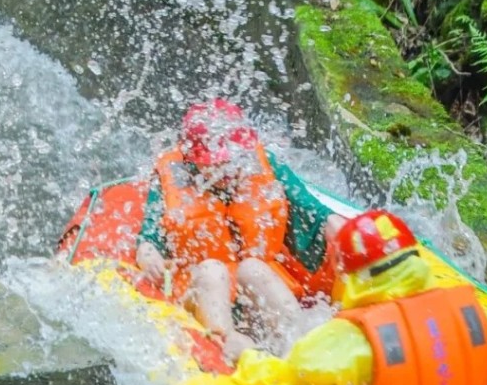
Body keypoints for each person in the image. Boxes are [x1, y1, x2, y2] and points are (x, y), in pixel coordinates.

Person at [228, 208, 487, 385]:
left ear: (347, 275)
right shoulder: (480, 319)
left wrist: (246, 355)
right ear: (415, 256)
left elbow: (285, 383)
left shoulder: (344, 345)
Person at [135, 99, 341, 362]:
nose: (226, 168)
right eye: (216, 163)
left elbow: (310, 209)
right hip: (203, 292)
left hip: (256, 298)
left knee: (253, 268)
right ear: (191, 158)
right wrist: (148, 252)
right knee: (213, 270)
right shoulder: (171, 177)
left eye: (232, 159)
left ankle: (299, 341)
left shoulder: (262, 164)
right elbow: (149, 233)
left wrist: (334, 224)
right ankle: (226, 344)